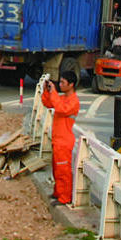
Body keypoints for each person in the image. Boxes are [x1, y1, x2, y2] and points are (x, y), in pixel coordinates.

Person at [41, 70, 80, 205]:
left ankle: (65, 198)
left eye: (63, 82)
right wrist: (47, 90)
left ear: (71, 84)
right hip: (58, 140)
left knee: (63, 170)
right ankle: (58, 192)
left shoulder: (73, 101)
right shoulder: (62, 98)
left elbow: (61, 109)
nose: (60, 84)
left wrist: (53, 93)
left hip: (64, 141)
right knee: (57, 169)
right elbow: (48, 103)